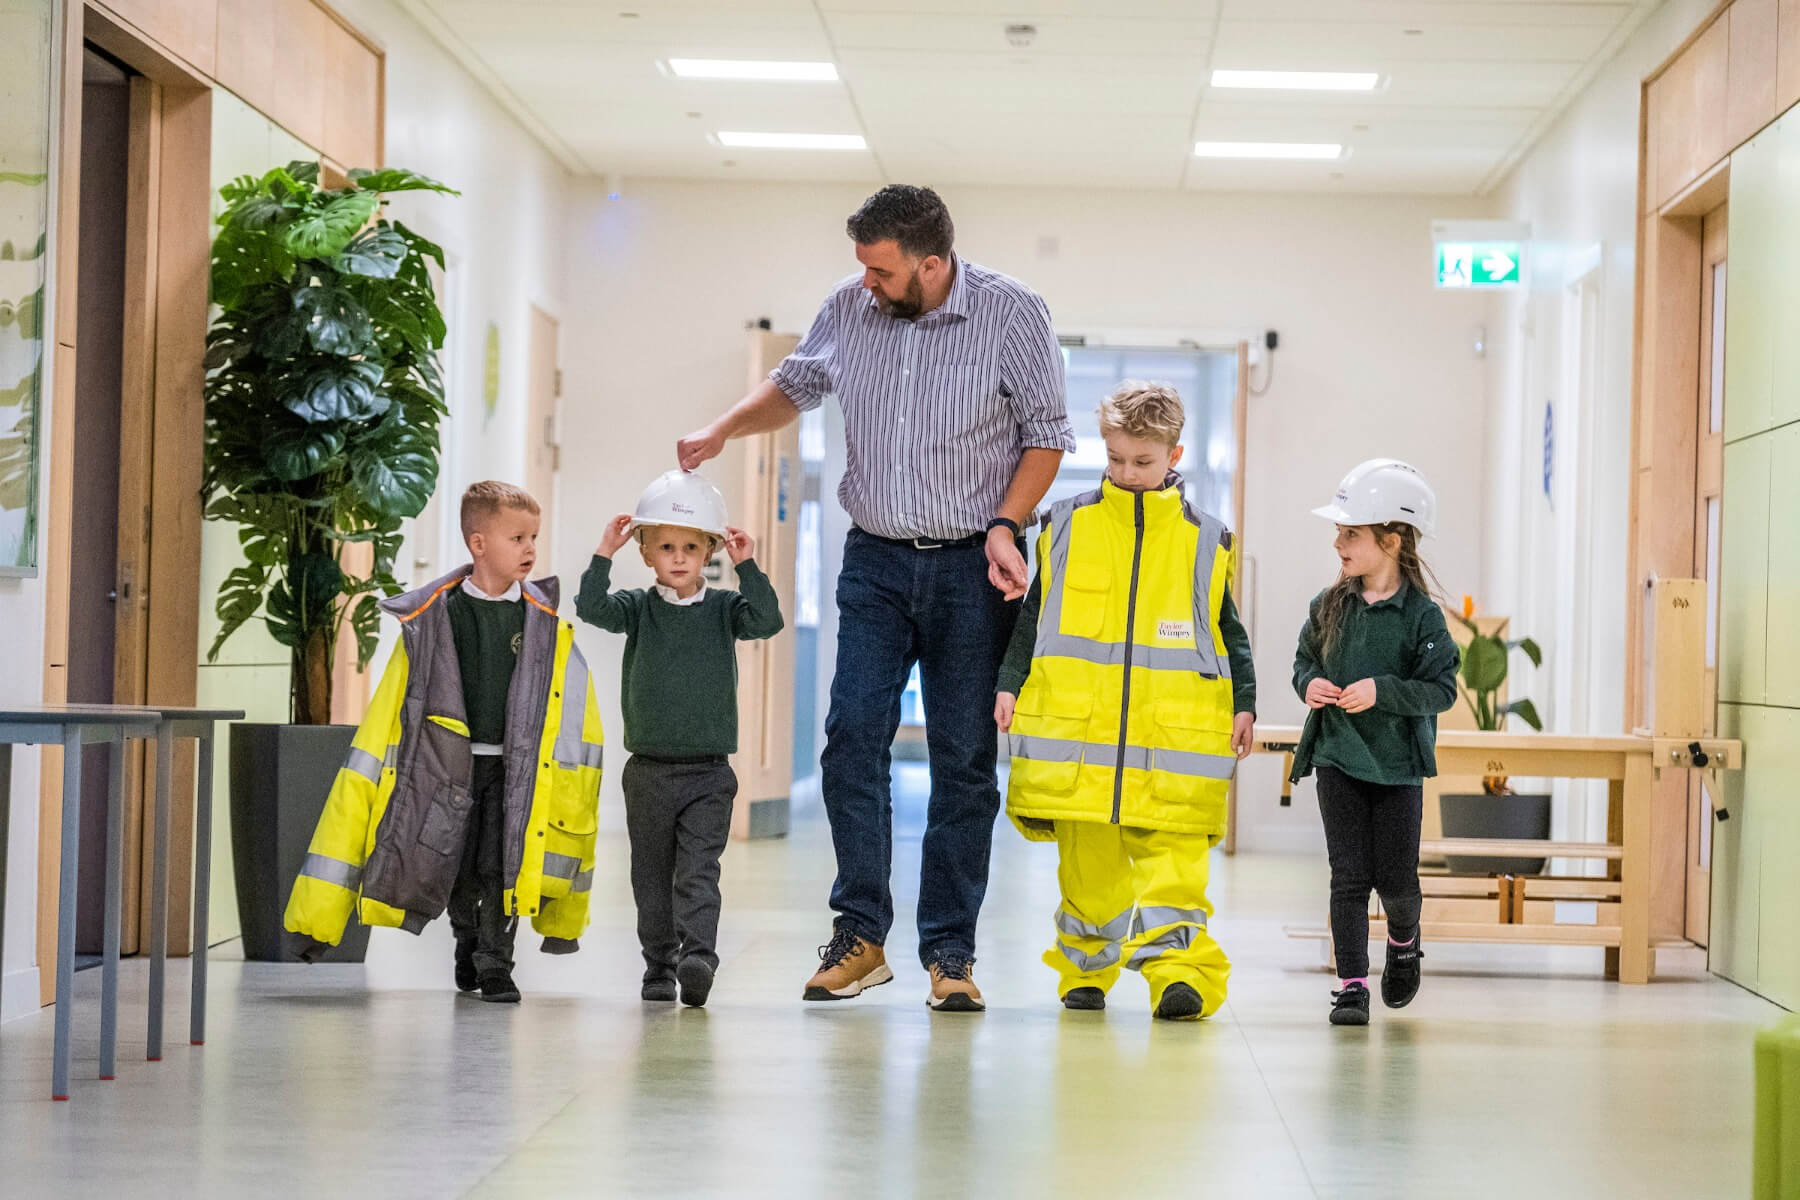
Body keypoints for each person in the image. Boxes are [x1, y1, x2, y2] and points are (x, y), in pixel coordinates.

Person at [677, 184, 1073, 1012]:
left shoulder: (1013, 312)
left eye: (882, 270)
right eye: (862, 267)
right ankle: (859, 934)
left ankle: (950, 952)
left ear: (931, 264)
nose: (867, 283)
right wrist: (723, 428)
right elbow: (794, 385)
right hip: (876, 562)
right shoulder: (849, 308)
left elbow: (1045, 436)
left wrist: (1007, 526)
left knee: (964, 760)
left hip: (974, 566)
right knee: (852, 736)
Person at [285, 481, 607, 1004]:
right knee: (455, 864)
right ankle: (467, 938)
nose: (529, 548)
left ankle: (497, 964)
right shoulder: (438, 615)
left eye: (533, 537)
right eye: (517, 538)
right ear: (478, 544)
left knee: (503, 864)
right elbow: (401, 702)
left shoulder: (543, 622)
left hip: (515, 769)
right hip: (446, 768)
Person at [996, 381, 1254, 1020]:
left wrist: (1245, 702)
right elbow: (1034, 618)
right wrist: (1009, 682)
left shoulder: (1207, 539)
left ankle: (1179, 976)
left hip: (1172, 742)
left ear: (1174, 455)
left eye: (1143, 461)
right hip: (1082, 741)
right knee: (1088, 867)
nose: (1128, 472)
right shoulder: (1066, 525)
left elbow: (1229, 631)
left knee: (1175, 868)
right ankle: (1085, 971)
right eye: (1116, 459)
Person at [577, 469, 784, 1008]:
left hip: (708, 773)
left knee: (698, 871)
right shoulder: (637, 607)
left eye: (691, 547)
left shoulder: (725, 609)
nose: (678, 557)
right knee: (650, 877)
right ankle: (659, 965)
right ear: (646, 552)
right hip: (647, 772)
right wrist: (604, 552)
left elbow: (767, 621)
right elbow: (591, 608)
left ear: (709, 551)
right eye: (666, 547)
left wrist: (748, 565)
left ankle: (698, 958)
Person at [1289, 459, 1460, 1026]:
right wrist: (1308, 683)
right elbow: (1304, 660)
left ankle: (1405, 941)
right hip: (1338, 756)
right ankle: (1351, 986)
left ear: (1391, 541)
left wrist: (1382, 691)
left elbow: (1440, 691)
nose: (1337, 543)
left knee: (1396, 882)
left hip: (1397, 767)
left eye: (1351, 533)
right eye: (1338, 532)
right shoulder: (1328, 605)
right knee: (1348, 877)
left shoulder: (1422, 618)